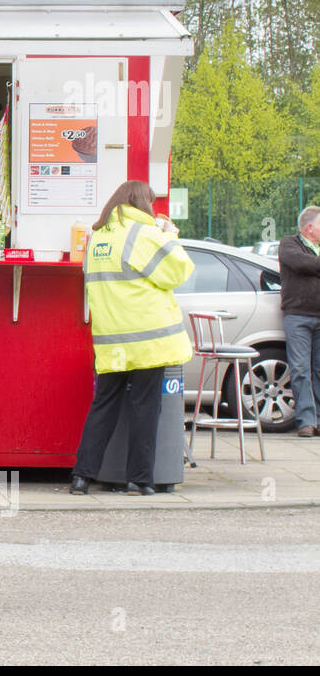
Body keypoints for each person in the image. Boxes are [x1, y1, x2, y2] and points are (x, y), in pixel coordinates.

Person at [70, 181, 194, 495]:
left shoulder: (98, 236)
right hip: (148, 339)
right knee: (145, 408)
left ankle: (82, 477)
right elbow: (178, 272)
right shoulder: (146, 234)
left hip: (111, 340)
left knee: (103, 407)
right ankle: (140, 479)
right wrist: (169, 236)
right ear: (143, 203)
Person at [278, 206, 320, 437]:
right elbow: (302, 264)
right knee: (301, 370)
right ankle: (306, 421)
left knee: (319, 370)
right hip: (299, 316)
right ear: (310, 228)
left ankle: (319, 420)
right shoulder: (289, 244)